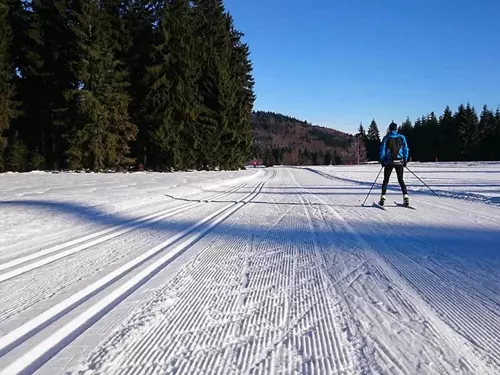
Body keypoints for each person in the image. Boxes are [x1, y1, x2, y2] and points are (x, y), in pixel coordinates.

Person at [379, 122, 410, 206]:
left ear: (389, 129)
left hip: (389, 162)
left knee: (386, 180)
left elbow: (382, 149)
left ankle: (383, 197)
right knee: (401, 180)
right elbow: (406, 149)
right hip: (399, 161)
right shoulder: (402, 137)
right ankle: (405, 196)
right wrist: (405, 159)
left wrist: (382, 160)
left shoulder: (386, 138)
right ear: (396, 129)